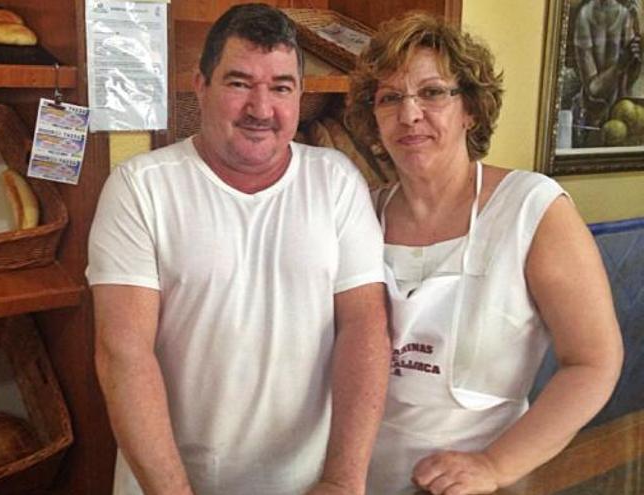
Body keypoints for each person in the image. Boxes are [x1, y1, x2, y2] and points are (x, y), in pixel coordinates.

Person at [87, 3, 390, 494]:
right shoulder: (141, 187)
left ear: (299, 94)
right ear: (200, 86)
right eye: (239, 83)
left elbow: (365, 327)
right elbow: (123, 352)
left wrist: (342, 481)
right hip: (169, 483)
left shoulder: (336, 181)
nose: (261, 108)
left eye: (280, 87)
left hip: (306, 483)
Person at [345, 12, 624, 495]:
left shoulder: (531, 208)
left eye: (432, 93)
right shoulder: (359, 213)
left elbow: (595, 361)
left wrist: (494, 466)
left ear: (470, 108)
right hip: (362, 480)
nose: (409, 115)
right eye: (390, 98)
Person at [572, 0, 641, 146]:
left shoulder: (626, 14)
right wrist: (620, 65)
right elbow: (593, 89)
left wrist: (637, 59)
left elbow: (629, 82)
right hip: (592, 122)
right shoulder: (585, 16)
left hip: (624, 121)